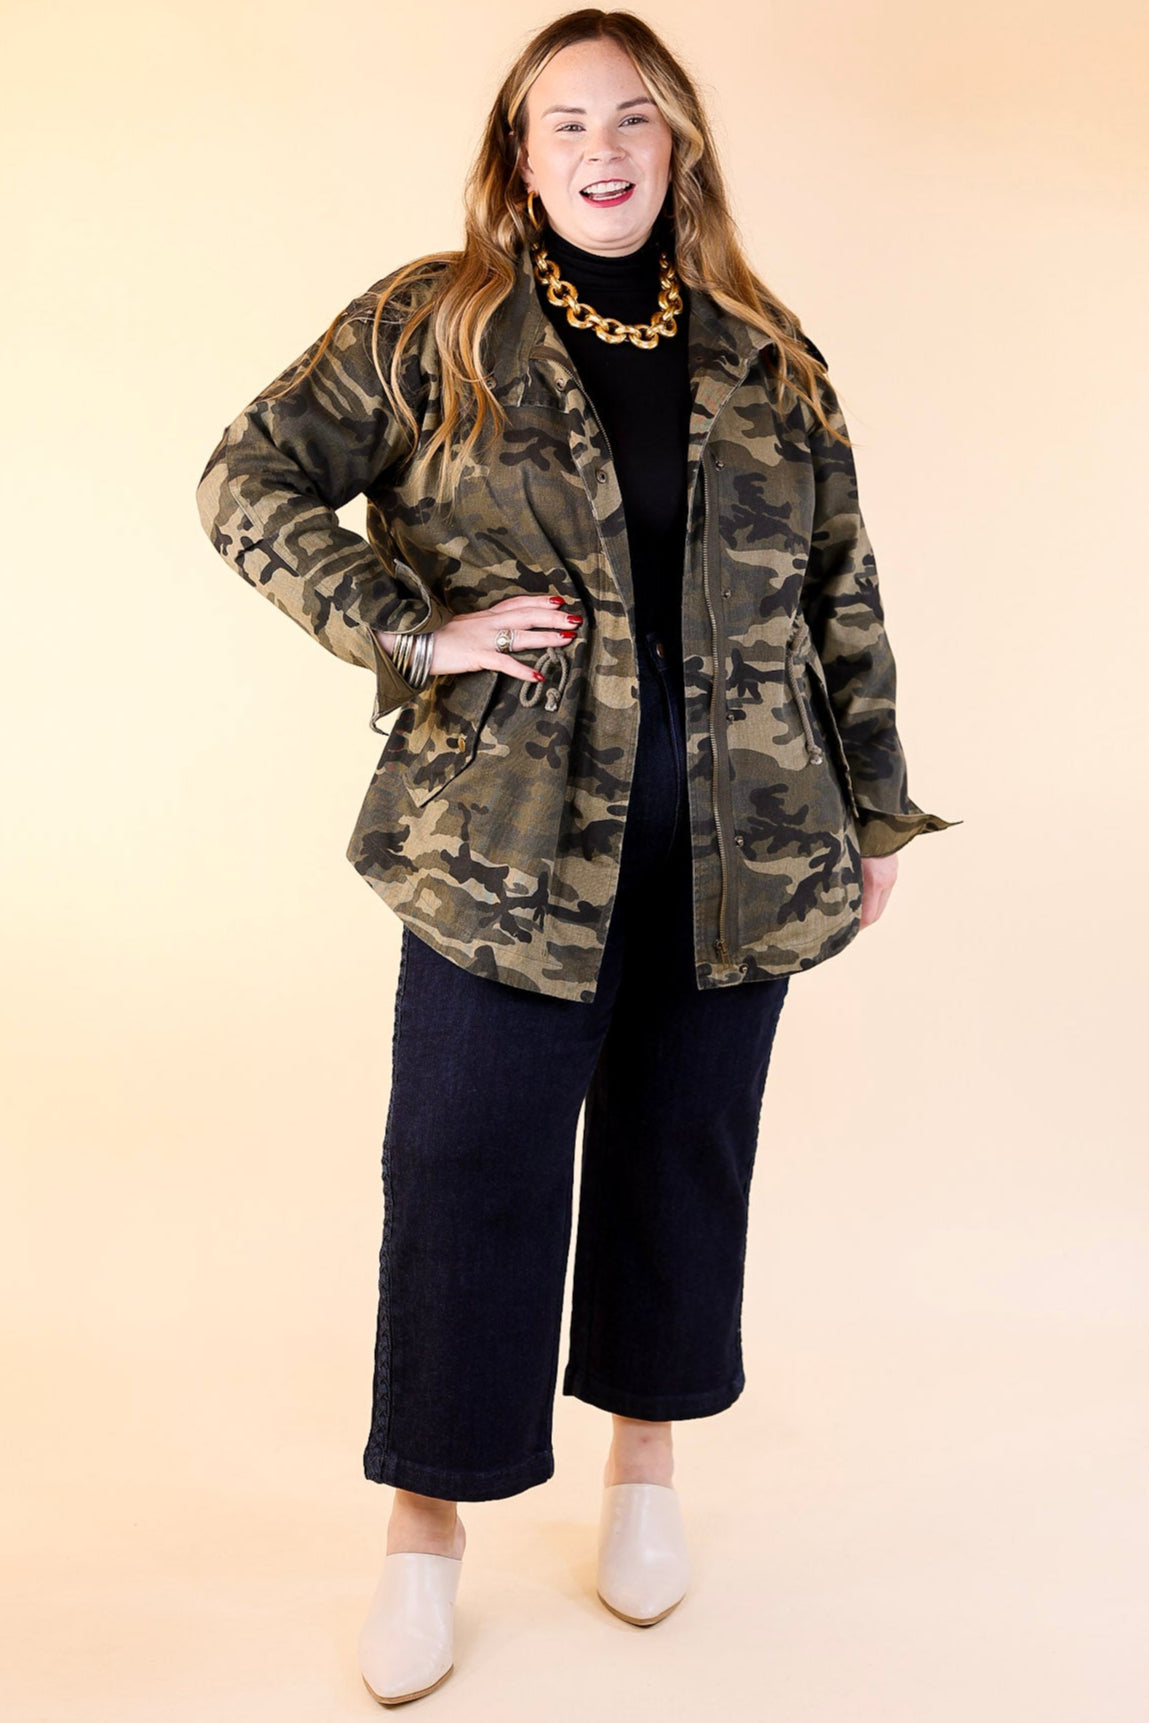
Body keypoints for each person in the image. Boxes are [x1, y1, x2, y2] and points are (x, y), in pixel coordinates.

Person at [195, 7, 959, 1706]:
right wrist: (413, 629)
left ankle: (642, 1476)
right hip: (506, 844)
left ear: (677, 143)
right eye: (565, 124)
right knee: (466, 1169)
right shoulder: (432, 324)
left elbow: (840, 589)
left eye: (632, 119)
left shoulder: (766, 349)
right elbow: (246, 478)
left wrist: (871, 809)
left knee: (678, 1158)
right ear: (518, 155)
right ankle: (423, 1533)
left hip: (743, 841)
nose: (602, 150)